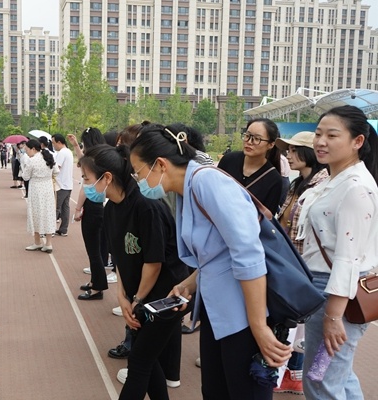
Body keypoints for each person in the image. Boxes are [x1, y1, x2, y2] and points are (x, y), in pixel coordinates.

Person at [130, 124, 292, 400]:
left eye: (139, 171)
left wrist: (258, 328)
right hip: (218, 313)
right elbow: (218, 253)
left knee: (243, 393)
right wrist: (190, 284)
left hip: (242, 316)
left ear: (160, 164)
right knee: (216, 392)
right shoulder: (189, 188)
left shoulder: (208, 182)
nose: (138, 179)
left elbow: (248, 256)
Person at [79, 143, 190, 400]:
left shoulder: (146, 207)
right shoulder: (110, 210)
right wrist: (122, 296)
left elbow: (154, 262)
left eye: (86, 178)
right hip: (139, 296)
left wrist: (137, 299)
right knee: (148, 362)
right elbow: (119, 258)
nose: (84, 184)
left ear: (107, 177)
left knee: (139, 362)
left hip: (166, 296)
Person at [295, 106, 378, 399]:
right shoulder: (332, 179)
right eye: (318, 134)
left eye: (332, 135)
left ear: (357, 142)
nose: (321, 141)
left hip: (336, 296)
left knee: (320, 380)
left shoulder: (355, 187)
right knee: (338, 376)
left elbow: (348, 257)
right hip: (327, 291)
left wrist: (333, 317)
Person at [274, 130, 329, 395]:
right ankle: (291, 375)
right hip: (291, 265)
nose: (289, 154)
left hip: (307, 269)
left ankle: (291, 375)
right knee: (297, 326)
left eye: (294, 150)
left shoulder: (322, 185)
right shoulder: (298, 184)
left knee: (302, 329)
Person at [67, 127, 110, 300]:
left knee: (94, 250)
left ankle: (97, 287)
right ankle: (95, 281)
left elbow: (86, 188)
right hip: (103, 207)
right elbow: (84, 161)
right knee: (99, 249)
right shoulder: (104, 157)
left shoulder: (93, 161)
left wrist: (77, 209)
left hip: (94, 208)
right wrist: (76, 145)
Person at [218, 118, 283, 214]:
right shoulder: (228, 160)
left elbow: (267, 219)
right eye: (247, 135)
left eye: (257, 139)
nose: (249, 141)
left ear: (271, 144)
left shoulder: (273, 179)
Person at [21, 139, 58, 253]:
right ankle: (48, 243)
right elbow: (56, 171)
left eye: (27, 149)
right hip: (47, 188)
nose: (26, 152)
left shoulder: (32, 161)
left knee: (36, 213)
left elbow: (25, 177)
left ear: (33, 149)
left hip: (36, 188)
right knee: (48, 213)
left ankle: (37, 242)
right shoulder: (49, 156)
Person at [51, 134, 73, 236]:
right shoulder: (69, 152)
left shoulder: (61, 153)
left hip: (60, 185)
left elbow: (56, 168)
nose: (53, 145)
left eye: (53, 143)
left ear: (59, 142)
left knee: (55, 207)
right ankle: (63, 229)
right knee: (65, 208)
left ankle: (50, 229)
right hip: (68, 184)